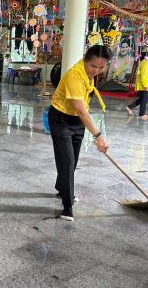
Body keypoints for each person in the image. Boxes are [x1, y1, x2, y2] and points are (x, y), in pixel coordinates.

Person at [49, 45, 112, 222]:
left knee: (72, 159)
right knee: (67, 161)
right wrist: (98, 136)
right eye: (93, 66)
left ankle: (61, 188)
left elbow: (82, 112)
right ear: (86, 60)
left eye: (101, 67)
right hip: (61, 120)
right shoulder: (74, 75)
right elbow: (83, 111)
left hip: (77, 122)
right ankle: (67, 207)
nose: (96, 71)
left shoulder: (88, 75)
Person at [126, 50, 148, 119]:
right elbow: (143, 75)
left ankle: (129, 107)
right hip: (144, 85)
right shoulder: (145, 63)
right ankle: (142, 114)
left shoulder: (145, 62)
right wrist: (145, 85)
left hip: (144, 84)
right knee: (144, 99)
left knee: (143, 99)